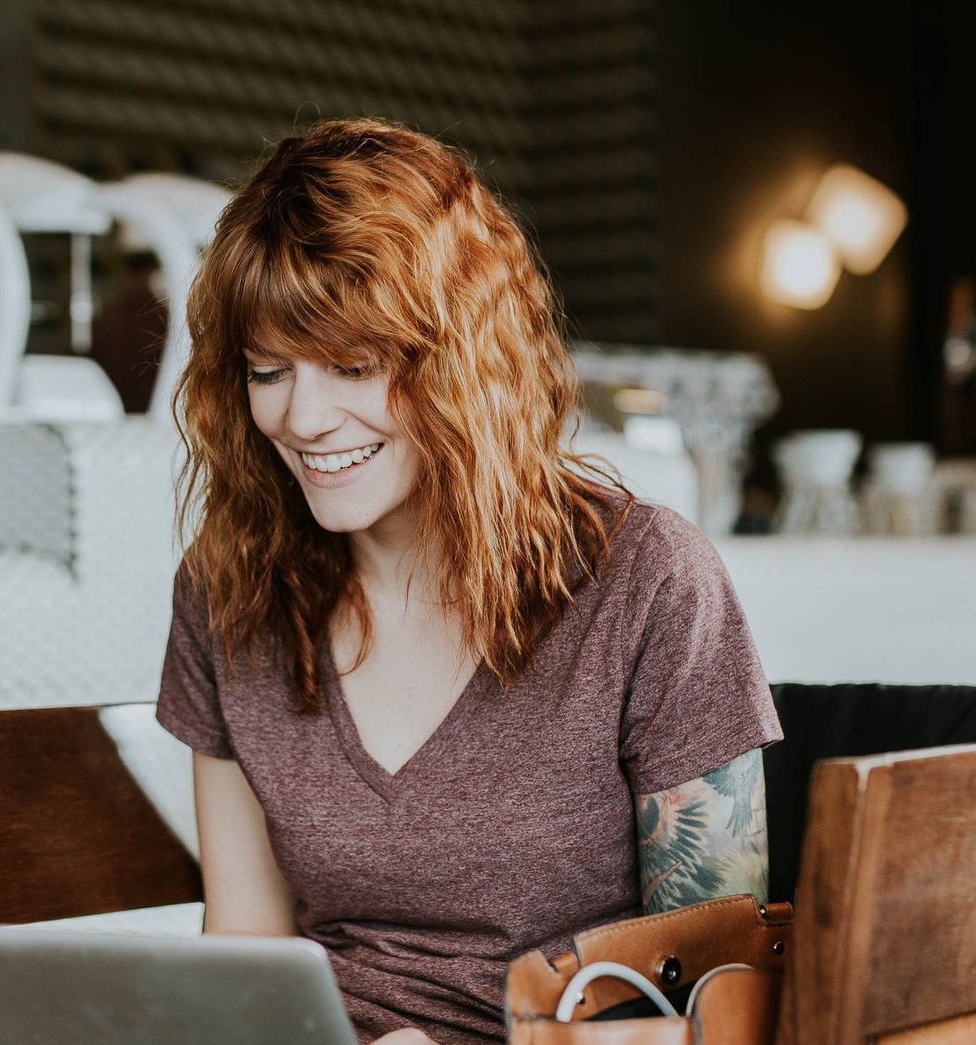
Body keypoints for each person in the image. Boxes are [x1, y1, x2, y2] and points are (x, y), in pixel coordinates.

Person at [154, 118, 781, 1045]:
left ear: (462, 361)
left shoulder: (647, 582)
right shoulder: (230, 592)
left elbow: (725, 1006)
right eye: (267, 369)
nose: (303, 417)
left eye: (355, 365)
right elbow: (244, 956)